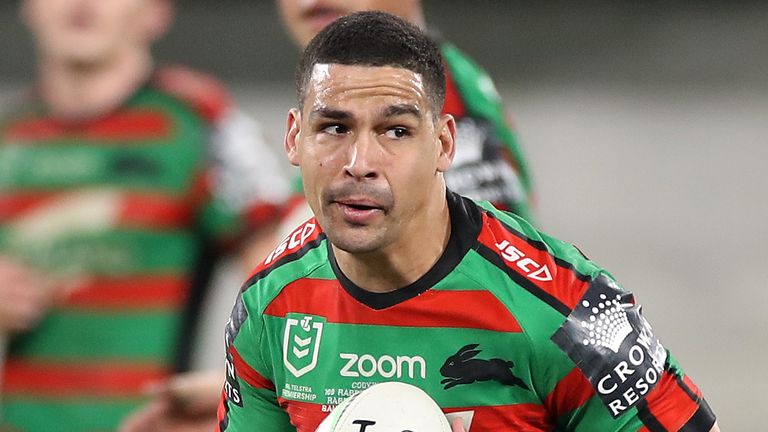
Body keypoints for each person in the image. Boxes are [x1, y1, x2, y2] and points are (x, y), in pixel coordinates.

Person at [217, 11, 719, 432]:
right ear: (292, 138)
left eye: (396, 130)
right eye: (333, 127)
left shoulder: (569, 312)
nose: (360, 161)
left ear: (444, 144)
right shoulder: (268, 307)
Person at [0, 0, 289, 430]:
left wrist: (237, 402)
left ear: (157, 12)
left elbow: (293, 289)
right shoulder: (10, 135)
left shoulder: (200, 122)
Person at [276, 0, 536, 224]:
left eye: (396, 131)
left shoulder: (435, 95)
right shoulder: (338, 96)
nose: (312, 2)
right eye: (337, 128)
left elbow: (484, 268)